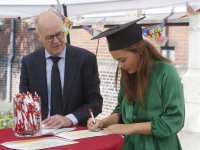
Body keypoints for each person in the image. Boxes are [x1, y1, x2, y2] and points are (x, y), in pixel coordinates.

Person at [87, 16, 185, 150]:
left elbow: (174, 120)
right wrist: (102, 122)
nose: (120, 66)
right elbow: (121, 112)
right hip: (130, 145)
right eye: (117, 61)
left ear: (139, 51)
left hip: (160, 146)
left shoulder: (166, 73)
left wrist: (131, 128)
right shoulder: (128, 74)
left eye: (122, 60)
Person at [19, 10, 103, 129]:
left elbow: (95, 102)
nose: (56, 41)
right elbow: (24, 101)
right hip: (40, 133)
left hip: (75, 132)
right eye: (49, 37)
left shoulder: (86, 59)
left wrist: (69, 119)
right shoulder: (29, 62)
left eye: (59, 34)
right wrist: (22, 120)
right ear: (39, 37)